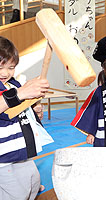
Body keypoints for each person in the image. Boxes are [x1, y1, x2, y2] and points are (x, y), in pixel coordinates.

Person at [0, 36, 50, 200]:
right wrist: (21, 93)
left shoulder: (13, 84)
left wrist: (34, 107)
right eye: (0, 67)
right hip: (4, 157)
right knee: (16, 193)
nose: (5, 73)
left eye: (11, 67)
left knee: (33, 183)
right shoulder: (14, 89)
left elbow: (22, 104)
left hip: (21, 151)